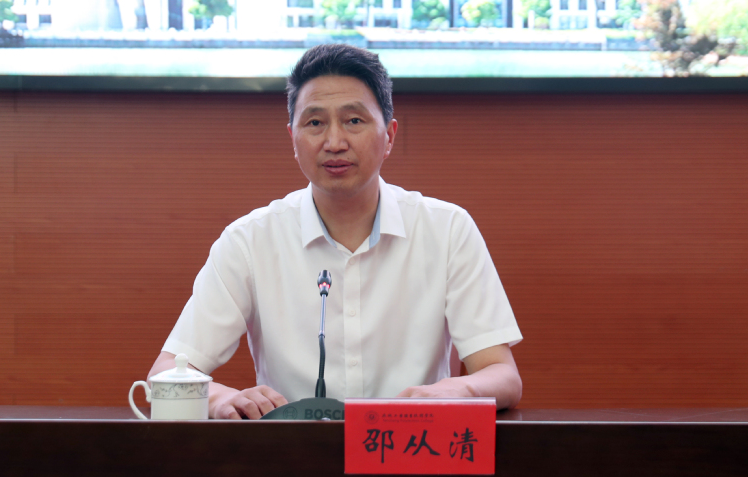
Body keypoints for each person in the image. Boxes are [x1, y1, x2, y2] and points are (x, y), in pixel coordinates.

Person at [148, 44, 523, 420]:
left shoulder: (447, 230)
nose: (334, 142)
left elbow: (501, 373)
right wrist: (220, 399)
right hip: (293, 452)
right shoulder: (249, 241)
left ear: (389, 136)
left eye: (354, 121)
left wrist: (456, 390)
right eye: (315, 123)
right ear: (293, 139)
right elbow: (165, 373)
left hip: (410, 448)